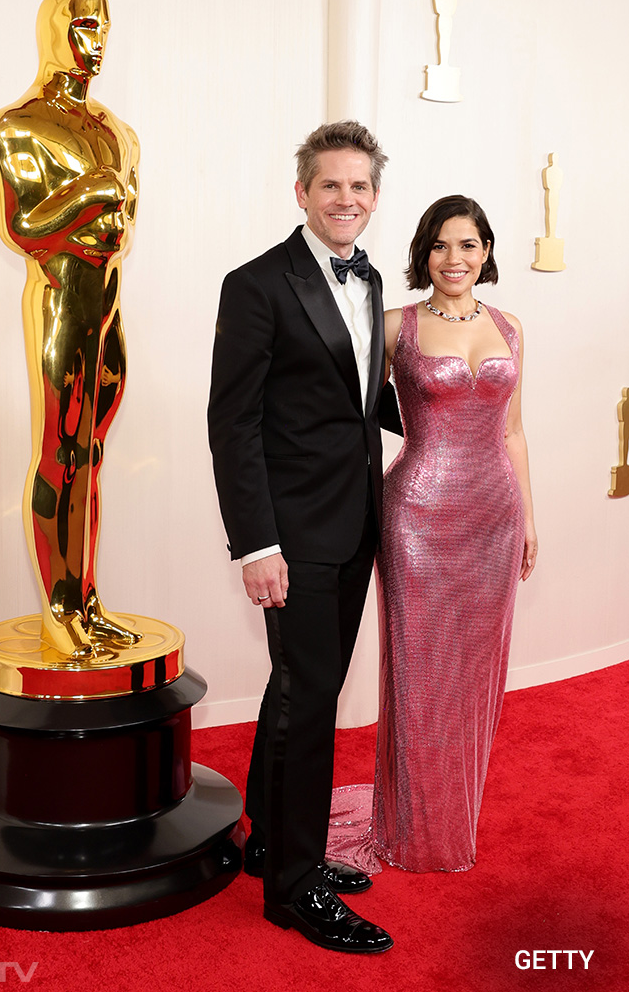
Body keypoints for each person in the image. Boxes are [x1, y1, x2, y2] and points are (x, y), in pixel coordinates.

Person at [208, 121, 401, 952]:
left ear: (374, 196)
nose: (346, 199)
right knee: (311, 700)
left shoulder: (373, 278)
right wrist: (256, 545)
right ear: (302, 193)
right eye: (331, 185)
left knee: (295, 687)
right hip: (291, 534)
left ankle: (267, 843)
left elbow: (354, 400)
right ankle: (296, 887)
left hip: (357, 520)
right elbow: (232, 422)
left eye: (360, 186)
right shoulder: (255, 284)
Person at [327, 195, 537, 874]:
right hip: (416, 513)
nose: (456, 259)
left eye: (469, 245)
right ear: (424, 253)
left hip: (495, 516)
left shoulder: (509, 328)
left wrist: (529, 516)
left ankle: (455, 814)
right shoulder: (395, 325)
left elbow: (512, 431)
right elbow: (345, 413)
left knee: (476, 671)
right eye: (443, 246)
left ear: (486, 252)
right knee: (420, 670)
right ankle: (411, 827)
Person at [0, 0, 140, 656]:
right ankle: (58, 607)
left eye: (103, 28)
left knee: (93, 457)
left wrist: (107, 204)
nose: (95, 42)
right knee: (60, 456)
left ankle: (87, 599)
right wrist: (92, 192)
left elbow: (123, 225)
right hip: (59, 300)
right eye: (82, 27)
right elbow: (23, 227)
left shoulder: (115, 129)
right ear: (55, 32)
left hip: (106, 305)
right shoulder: (19, 125)